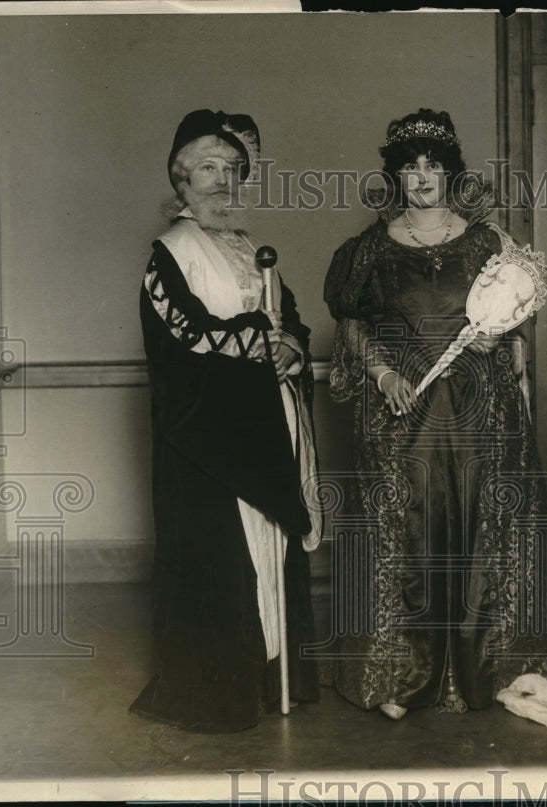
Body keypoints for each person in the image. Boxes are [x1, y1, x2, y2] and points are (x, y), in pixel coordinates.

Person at [323, 109, 547, 719]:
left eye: (433, 165)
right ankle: (405, 675)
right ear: (394, 175)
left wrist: (499, 341)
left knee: (482, 533)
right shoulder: (367, 250)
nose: (421, 176)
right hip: (404, 422)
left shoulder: (487, 243)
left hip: (482, 416)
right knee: (410, 539)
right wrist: (384, 374)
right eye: (409, 165)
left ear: (452, 173)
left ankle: (487, 673)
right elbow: (353, 327)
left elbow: (516, 321)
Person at [131, 109, 322, 733]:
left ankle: (271, 679)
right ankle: (218, 691)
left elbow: (287, 315)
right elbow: (183, 336)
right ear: (181, 183)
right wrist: (260, 344)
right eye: (207, 169)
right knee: (222, 559)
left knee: (270, 551)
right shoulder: (169, 254)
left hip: (267, 424)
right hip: (207, 439)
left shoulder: (250, 249)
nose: (221, 181)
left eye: (231, 170)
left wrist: (291, 344)